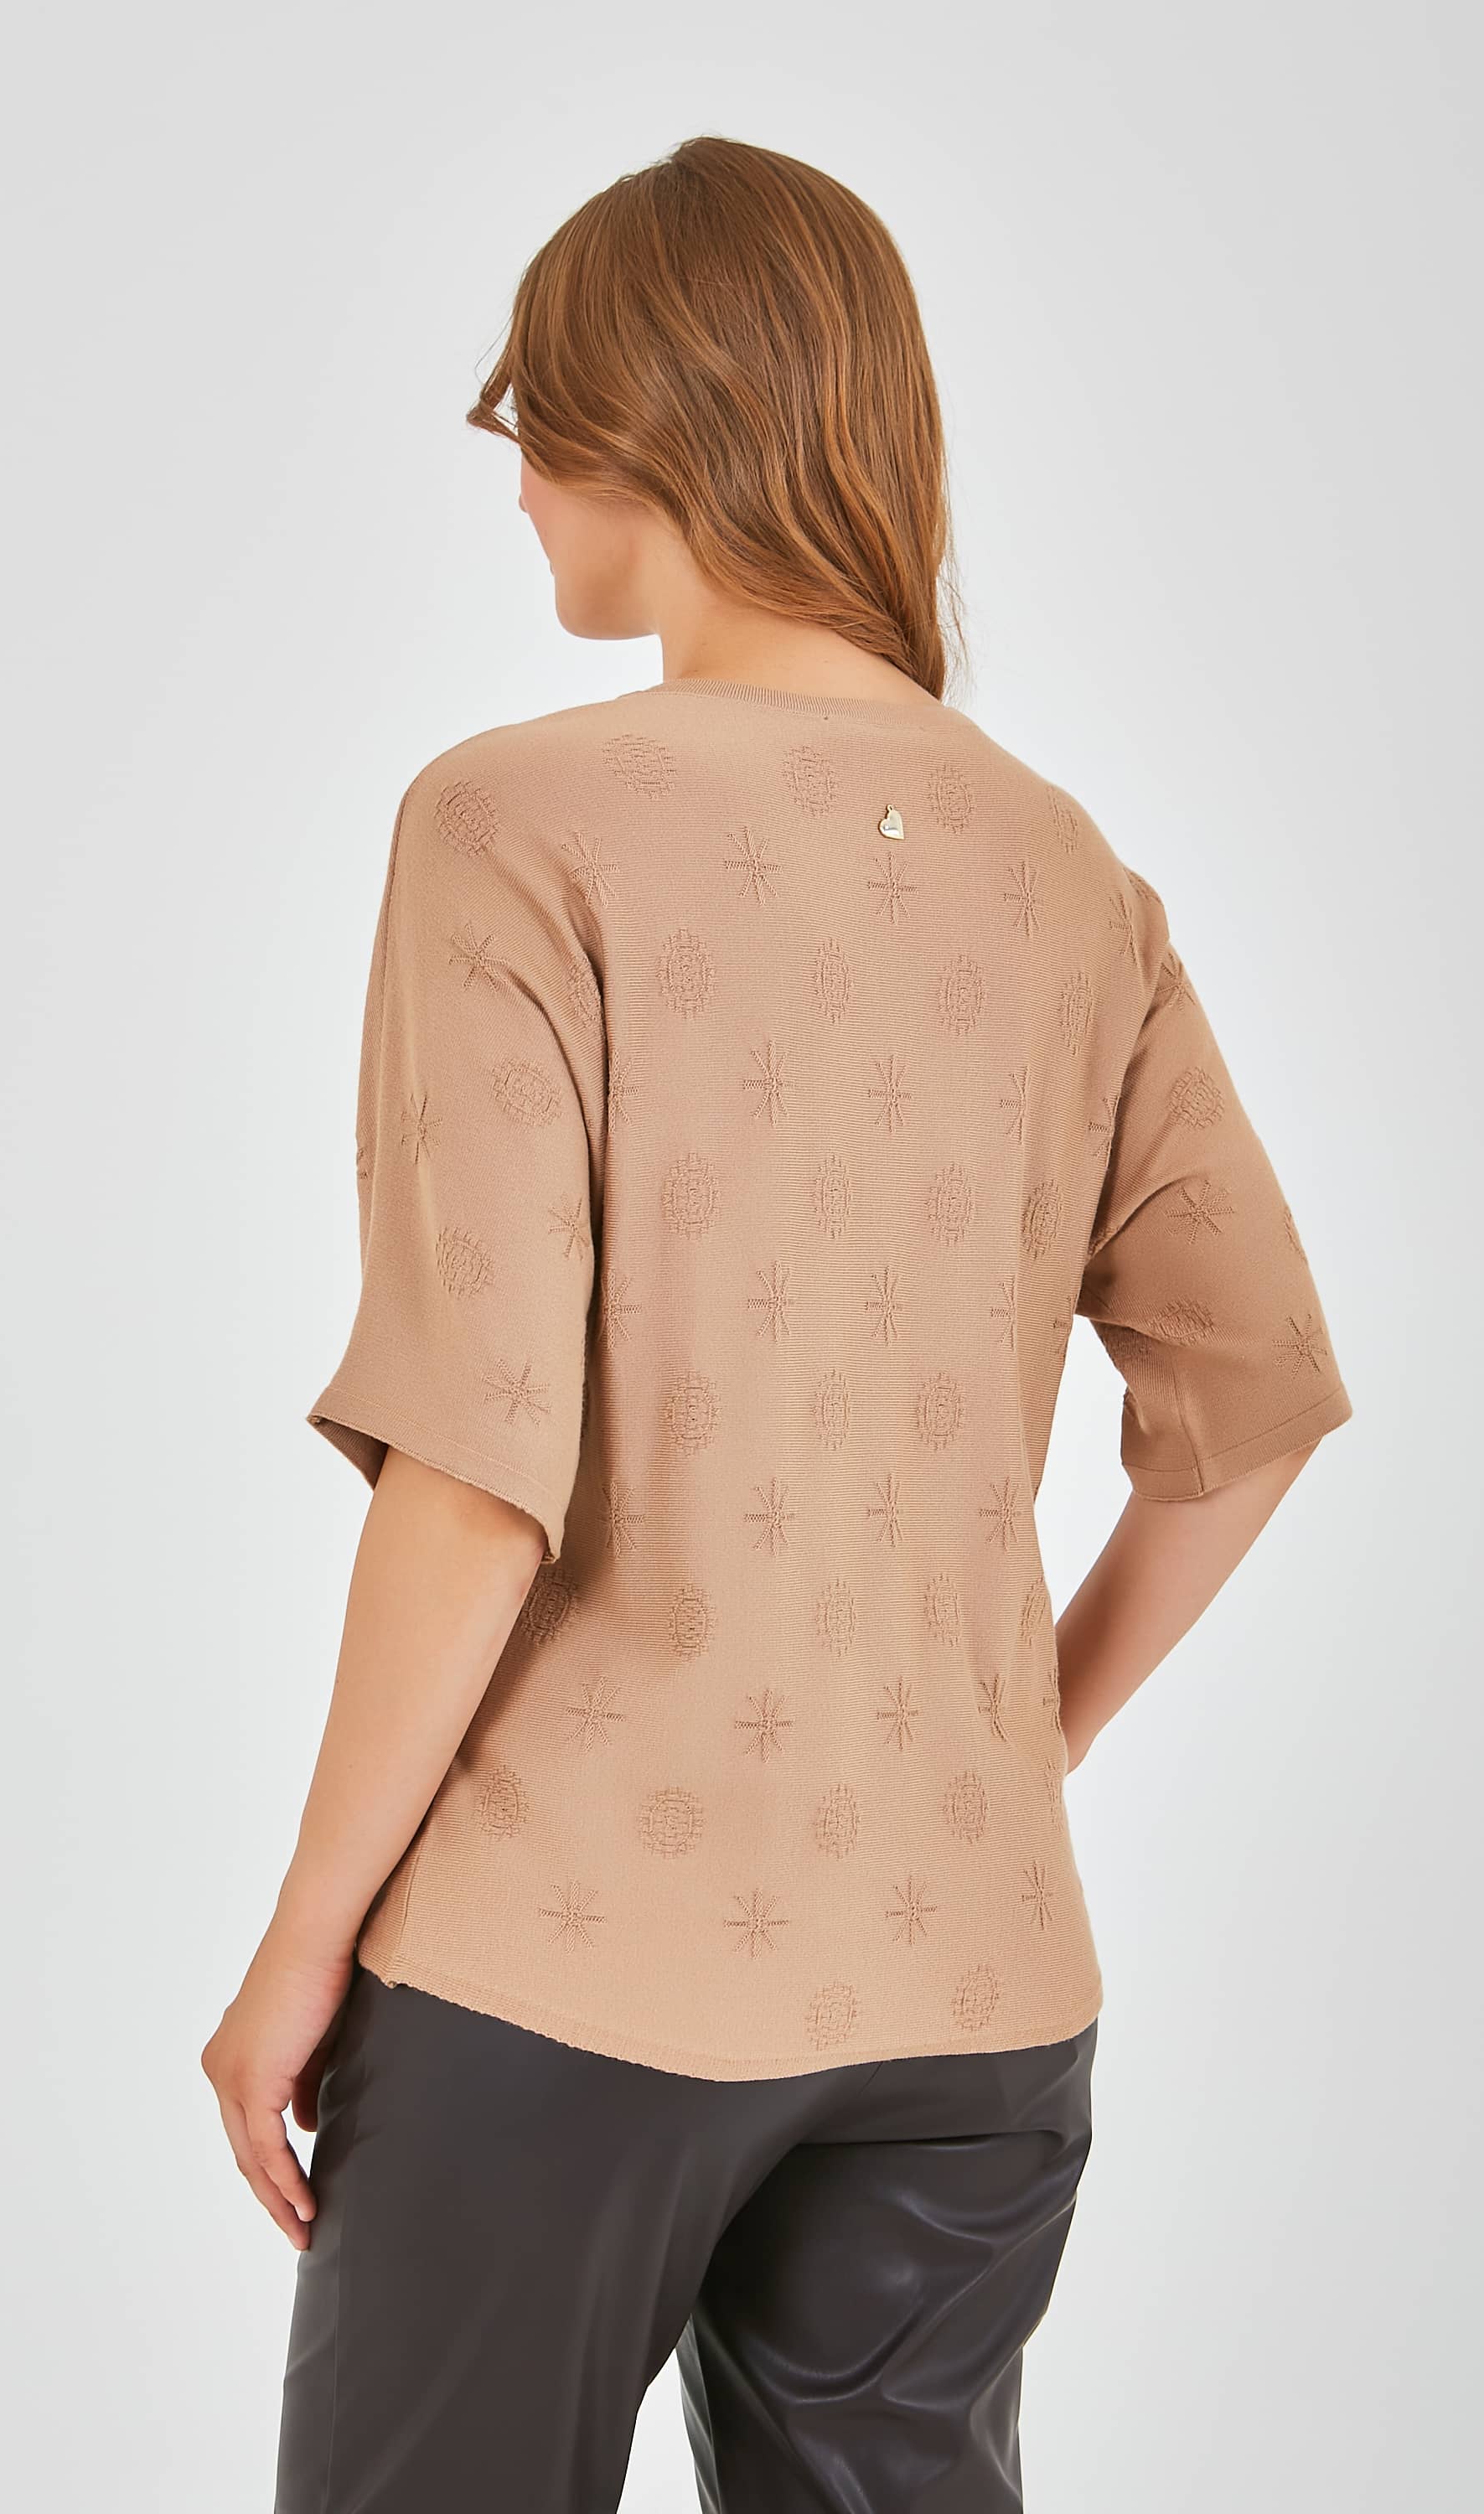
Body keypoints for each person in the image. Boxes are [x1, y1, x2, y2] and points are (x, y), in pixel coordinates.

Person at [202, 133, 1353, 2514]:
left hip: (561, 1968)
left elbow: (479, 1468)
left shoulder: (512, 823)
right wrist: (1016, 1744)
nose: (518, 480)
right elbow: (1249, 1401)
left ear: (648, 415)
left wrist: (301, 1945)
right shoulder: (1069, 878)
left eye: (533, 418)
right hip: (970, 2000)